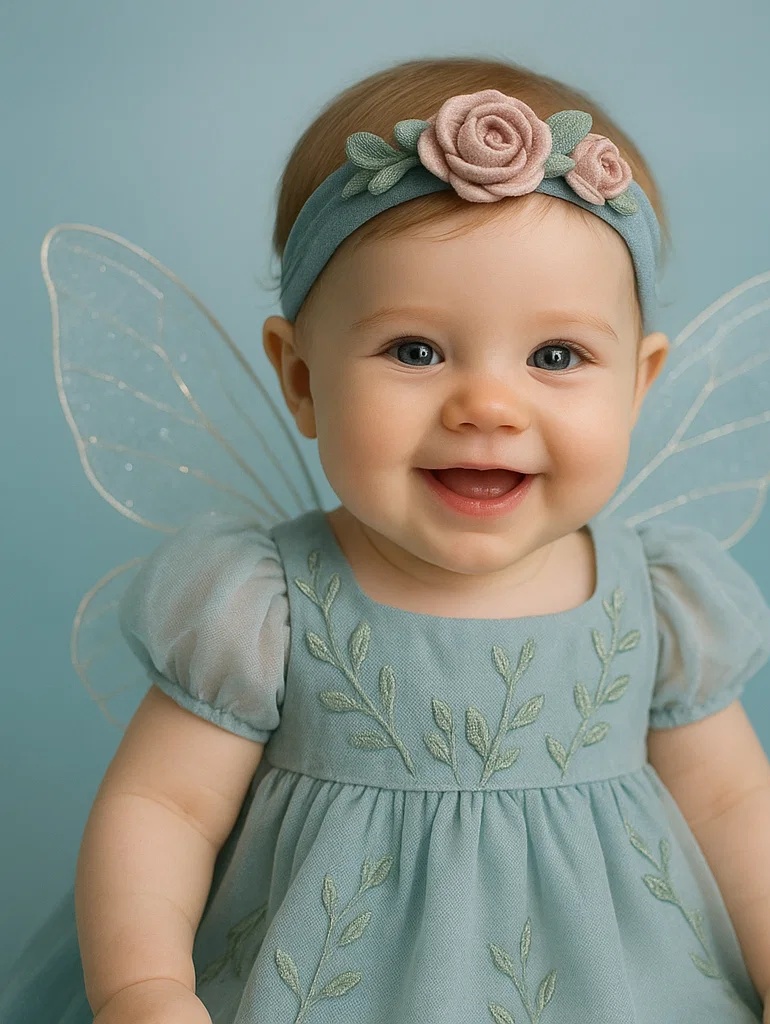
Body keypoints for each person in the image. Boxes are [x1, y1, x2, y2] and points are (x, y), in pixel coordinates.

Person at [5, 55, 770, 1024]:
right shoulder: (262, 601)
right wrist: (144, 988)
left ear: (638, 382)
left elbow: (735, 809)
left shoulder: (655, 599)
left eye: (555, 355)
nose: (486, 404)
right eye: (415, 350)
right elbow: (164, 810)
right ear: (300, 378)